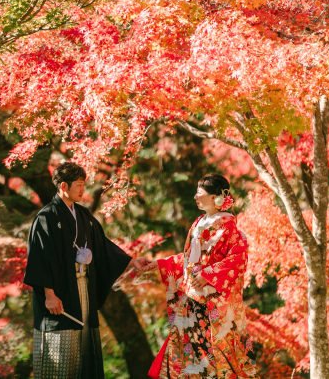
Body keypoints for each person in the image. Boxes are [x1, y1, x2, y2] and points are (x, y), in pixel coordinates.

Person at [24, 162, 145, 379]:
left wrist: (131, 261)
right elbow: (39, 258)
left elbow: (102, 246)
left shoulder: (83, 214)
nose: (83, 189)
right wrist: (49, 295)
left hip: (83, 287)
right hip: (59, 291)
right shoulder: (46, 217)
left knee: (85, 344)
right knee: (61, 347)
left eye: (83, 184)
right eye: (79, 185)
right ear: (64, 186)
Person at [133, 174, 257, 378]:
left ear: (216, 197)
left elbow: (238, 259)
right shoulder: (199, 221)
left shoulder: (229, 226)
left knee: (212, 351)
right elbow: (190, 259)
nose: (195, 197)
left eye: (200, 193)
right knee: (189, 349)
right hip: (191, 296)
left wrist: (209, 274)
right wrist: (161, 263)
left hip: (213, 300)